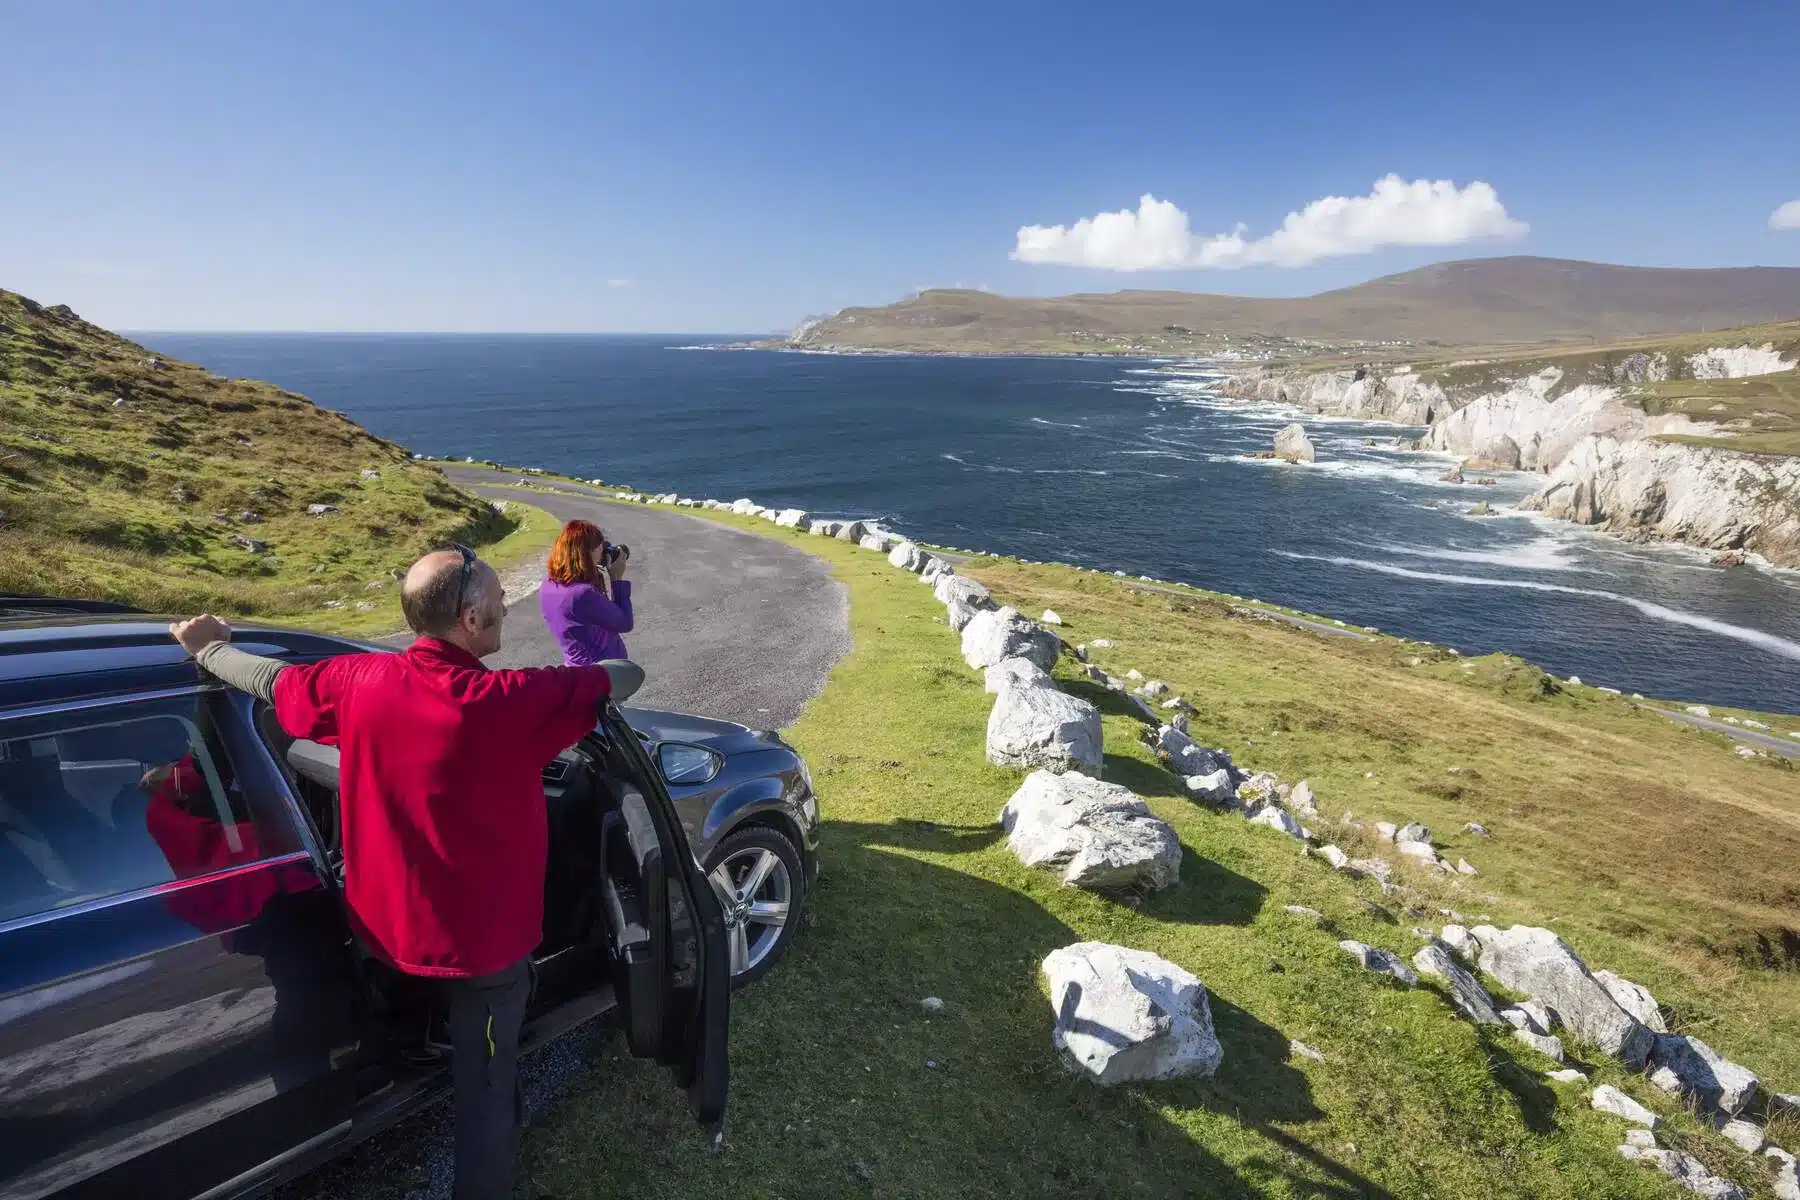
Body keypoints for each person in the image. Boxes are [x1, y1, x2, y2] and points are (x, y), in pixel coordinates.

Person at [168, 542, 642, 1200]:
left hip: (381, 932)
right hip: (483, 952)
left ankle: (413, 1050)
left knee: (403, 1010)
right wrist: (611, 599)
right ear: (471, 618)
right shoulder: (512, 698)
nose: (508, 604)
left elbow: (268, 682)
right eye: (500, 600)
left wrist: (209, 650)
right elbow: (623, 677)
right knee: (486, 1088)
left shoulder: (355, 682)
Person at [539, 518, 635, 665]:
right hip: (602, 673)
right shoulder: (582, 594)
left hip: (575, 668)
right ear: (587, 553)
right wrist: (616, 579)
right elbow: (625, 622)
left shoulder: (548, 584)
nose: (602, 552)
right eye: (600, 548)